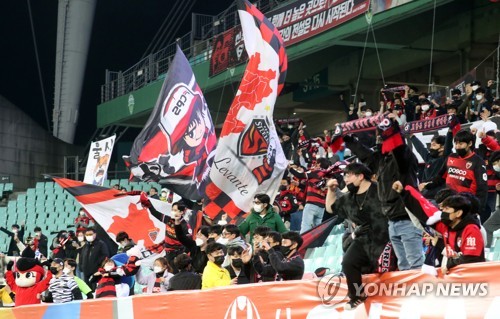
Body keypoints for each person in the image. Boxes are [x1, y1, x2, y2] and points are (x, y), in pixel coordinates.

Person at [344, 114, 423, 271]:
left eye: (383, 137)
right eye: (379, 137)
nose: (380, 140)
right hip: (391, 220)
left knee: (415, 264)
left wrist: (392, 130)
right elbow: (364, 154)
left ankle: (421, 294)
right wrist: (347, 139)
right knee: (403, 265)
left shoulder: (404, 156)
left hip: (407, 218)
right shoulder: (382, 160)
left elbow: (399, 150)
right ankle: (408, 294)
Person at [325, 163, 390, 310]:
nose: (345, 179)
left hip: (385, 238)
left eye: (349, 175)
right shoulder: (349, 197)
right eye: (345, 176)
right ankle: (357, 295)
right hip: (363, 238)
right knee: (348, 263)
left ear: (361, 176)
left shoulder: (380, 190)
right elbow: (330, 208)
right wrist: (331, 190)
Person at [394, 183, 485, 273]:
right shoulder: (446, 227)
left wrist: (449, 264)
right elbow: (424, 213)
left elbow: (471, 259)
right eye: (442, 209)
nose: (442, 213)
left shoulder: (471, 229)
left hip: (474, 281)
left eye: (446, 209)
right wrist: (403, 193)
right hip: (458, 280)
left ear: (458, 213)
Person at [424, 129, 488, 221]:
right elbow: (440, 177)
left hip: (467, 207)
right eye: (456, 144)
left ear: (469, 144)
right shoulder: (451, 157)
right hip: (449, 206)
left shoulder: (477, 161)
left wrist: (478, 210)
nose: (457, 147)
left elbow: (482, 188)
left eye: (461, 144)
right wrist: (428, 185)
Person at [147, 199, 191, 273]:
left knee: (176, 273)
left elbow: (188, 242)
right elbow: (154, 213)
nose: (172, 212)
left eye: (175, 210)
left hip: (179, 253)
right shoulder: (168, 220)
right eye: (172, 210)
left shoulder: (185, 226)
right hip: (168, 252)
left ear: (181, 212)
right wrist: (148, 203)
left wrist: (184, 254)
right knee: (169, 272)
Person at [289, 158, 330, 233]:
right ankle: (317, 244)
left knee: (306, 227)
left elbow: (300, 175)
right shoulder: (328, 175)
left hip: (312, 204)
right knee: (317, 230)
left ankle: (304, 244)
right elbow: (314, 187)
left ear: (319, 164)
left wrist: (290, 169)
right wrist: (299, 185)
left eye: (316, 163)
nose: (314, 165)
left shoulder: (316, 172)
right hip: (321, 206)